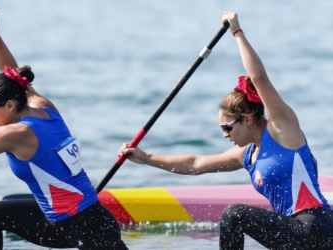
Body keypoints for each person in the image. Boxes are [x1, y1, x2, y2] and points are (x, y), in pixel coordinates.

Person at [118, 12, 333, 250]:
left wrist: (237, 32)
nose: (224, 135)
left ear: (248, 119)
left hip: (315, 226)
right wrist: (147, 158)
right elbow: (194, 164)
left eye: (227, 127)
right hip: (295, 231)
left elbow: (259, 78)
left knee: (234, 215)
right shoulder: (247, 155)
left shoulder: (283, 130)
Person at [0, 6, 128, 250]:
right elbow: (12, 75)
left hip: (88, 229)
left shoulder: (17, 134)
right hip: (67, 223)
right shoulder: (43, 107)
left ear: (10, 105)